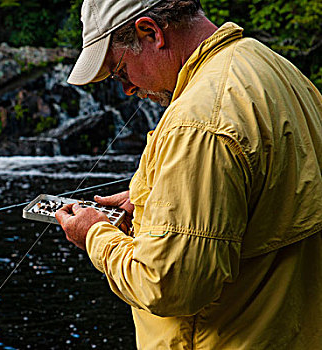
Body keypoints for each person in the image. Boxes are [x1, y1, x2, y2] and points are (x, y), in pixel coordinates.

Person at [55, 0, 322, 348]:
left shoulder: (196, 123)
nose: (128, 89)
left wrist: (95, 235)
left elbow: (168, 286)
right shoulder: (272, 67)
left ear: (151, 32)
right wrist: (149, 199)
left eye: (120, 71)